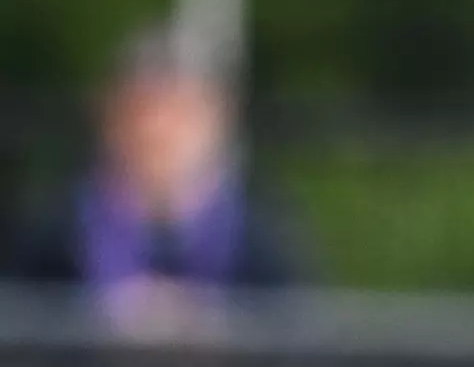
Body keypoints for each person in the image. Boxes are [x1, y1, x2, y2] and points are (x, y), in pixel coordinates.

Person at [4, 23, 303, 337]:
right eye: (142, 111)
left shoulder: (264, 234)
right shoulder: (50, 229)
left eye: (181, 113)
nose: (158, 132)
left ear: (220, 121)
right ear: (108, 117)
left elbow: (303, 340)